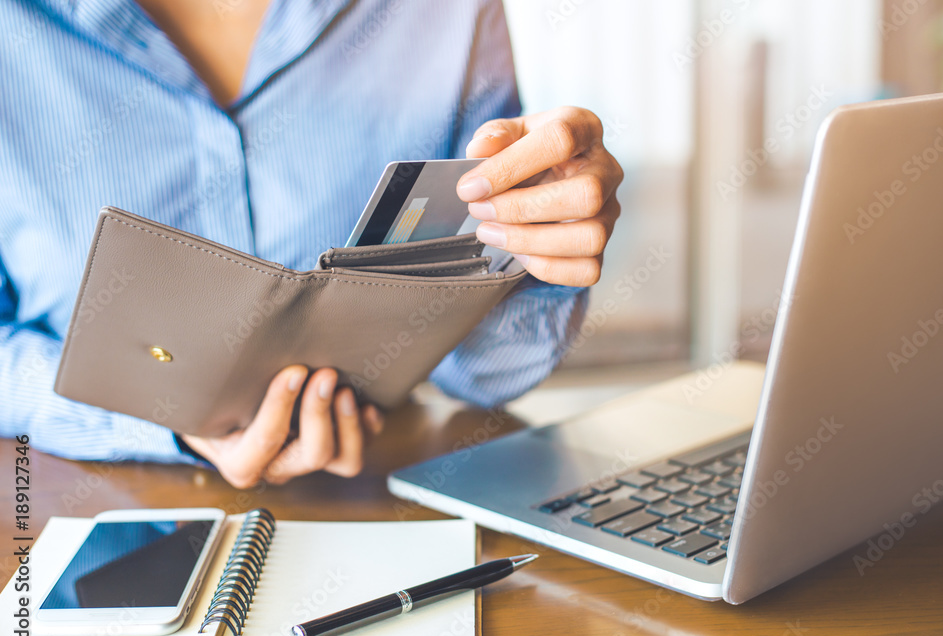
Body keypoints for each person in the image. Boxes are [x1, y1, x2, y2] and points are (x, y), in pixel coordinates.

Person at [0, 0, 622, 488]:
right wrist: (156, 420)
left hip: (387, 493)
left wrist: (534, 242)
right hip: (84, 504)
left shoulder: (442, 9)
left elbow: (484, 373)